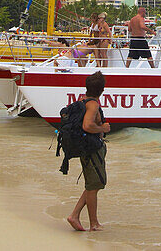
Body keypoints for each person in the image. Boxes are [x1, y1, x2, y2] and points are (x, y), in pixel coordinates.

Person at [66, 71, 111, 232]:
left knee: (95, 183)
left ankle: (75, 215)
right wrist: (103, 128)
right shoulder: (93, 104)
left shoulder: (82, 100)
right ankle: (94, 223)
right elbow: (87, 125)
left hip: (87, 148)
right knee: (94, 186)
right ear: (102, 89)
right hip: (91, 149)